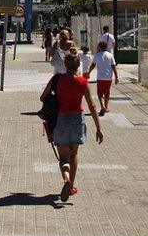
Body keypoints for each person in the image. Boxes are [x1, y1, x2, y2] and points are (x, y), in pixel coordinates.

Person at [41, 52, 103, 202]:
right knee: (74, 154)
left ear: (65, 65)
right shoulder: (83, 82)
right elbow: (92, 106)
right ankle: (71, 186)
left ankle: (66, 179)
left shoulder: (57, 79)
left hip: (61, 120)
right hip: (77, 120)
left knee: (63, 158)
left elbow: (43, 97)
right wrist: (99, 129)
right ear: (78, 66)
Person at [88, 41, 119, 115]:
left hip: (100, 78)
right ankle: (106, 106)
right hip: (108, 77)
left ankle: (102, 106)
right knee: (107, 92)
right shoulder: (110, 55)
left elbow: (92, 65)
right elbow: (114, 67)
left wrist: (88, 72)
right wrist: (116, 77)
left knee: (99, 93)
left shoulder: (97, 55)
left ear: (99, 47)